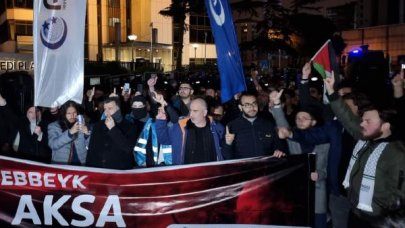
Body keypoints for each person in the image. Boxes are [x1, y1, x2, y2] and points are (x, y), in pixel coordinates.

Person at [324, 72, 405, 227]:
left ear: (386, 126)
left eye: (368, 121)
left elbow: (400, 196)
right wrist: (332, 92)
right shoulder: (365, 138)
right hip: (356, 213)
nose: (362, 124)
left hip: (379, 221)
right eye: (362, 120)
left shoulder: (397, 154)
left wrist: (383, 214)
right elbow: (346, 117)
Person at [156, 98, 224, 165]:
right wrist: (161, 121)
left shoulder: (217, 128)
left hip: (210, 172)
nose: (191, 114)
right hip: (185, 173)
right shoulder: (180, 126)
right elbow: (164, 140)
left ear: (204, 112)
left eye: (195, 111)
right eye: (190, 110)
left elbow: (225, 152)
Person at [222, 93, 286, 160]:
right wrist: (228, 144)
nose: (252, 107)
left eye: (254, 103)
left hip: (267, 167)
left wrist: (279, 150)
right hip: (244, 169)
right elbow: (227, 156)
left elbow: (279, 145)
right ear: (240, 107)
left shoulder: (268, 124)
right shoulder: (232, 126)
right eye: (247, 105)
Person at [86, 97, 138, 169]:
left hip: (119, 171)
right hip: (98, 170)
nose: (106, 112)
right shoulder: (98, 125)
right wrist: (89, 169)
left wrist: (113, 129)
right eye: (105, 109)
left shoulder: (130, 127)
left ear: (118, 108)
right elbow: (91, 151)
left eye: (110, 108)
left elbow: (128, 148)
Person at [48, 101, 90, 165]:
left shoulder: (82, 124)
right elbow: (53, 145)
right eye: (69, 113)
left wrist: (87, 134)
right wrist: (69, 133)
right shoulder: (54, 126)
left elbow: (90, 146)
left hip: (81, 164)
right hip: (61, 165)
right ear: (63, 114)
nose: (72, 116)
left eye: (74, 112)